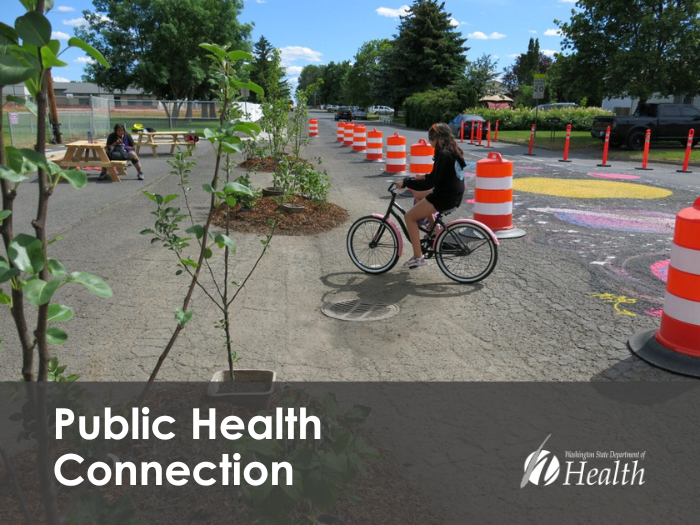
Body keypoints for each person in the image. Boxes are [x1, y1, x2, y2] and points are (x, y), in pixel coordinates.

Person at [396, 122, 466, 268]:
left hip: (445, 196)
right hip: (453, 192)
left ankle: (417, 257)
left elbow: (431, 183)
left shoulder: (443, 154)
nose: (429, 141)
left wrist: (406, 183)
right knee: (417, 194)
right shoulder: (452, 150)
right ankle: (435, 229)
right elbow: (441, 175)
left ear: (439, 137)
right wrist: (423, 176)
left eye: (431, 137)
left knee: (409, 217)